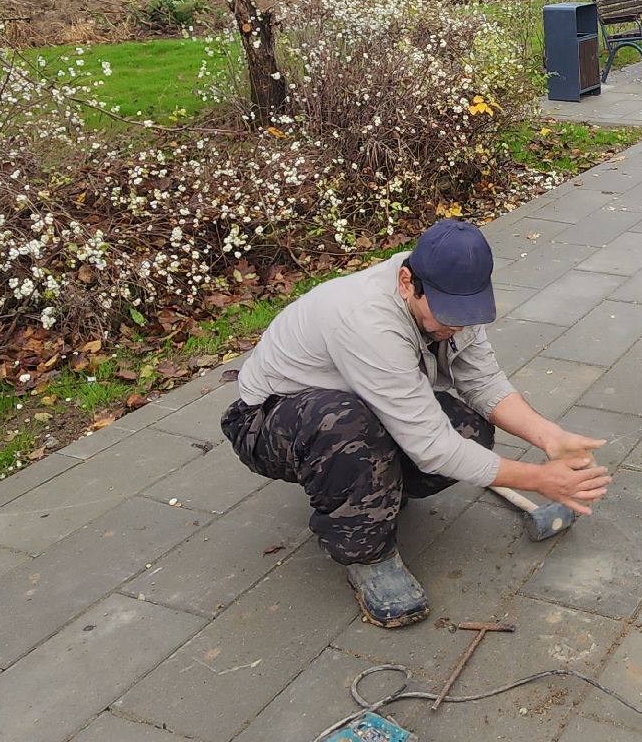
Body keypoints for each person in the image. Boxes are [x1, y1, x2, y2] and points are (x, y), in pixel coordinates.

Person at [219, 219, 611, 628]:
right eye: (446, 315)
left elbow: (482, 382)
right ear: (407, 281)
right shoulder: (366, 319)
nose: (456, 326)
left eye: (466, 314)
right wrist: (540, 480)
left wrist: (551, 437)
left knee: (470, 431)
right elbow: (432, 448)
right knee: (348, 428)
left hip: (356, 402)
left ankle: (371, 492)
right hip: (271, 421)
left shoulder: (455, 300)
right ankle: (367, 555)